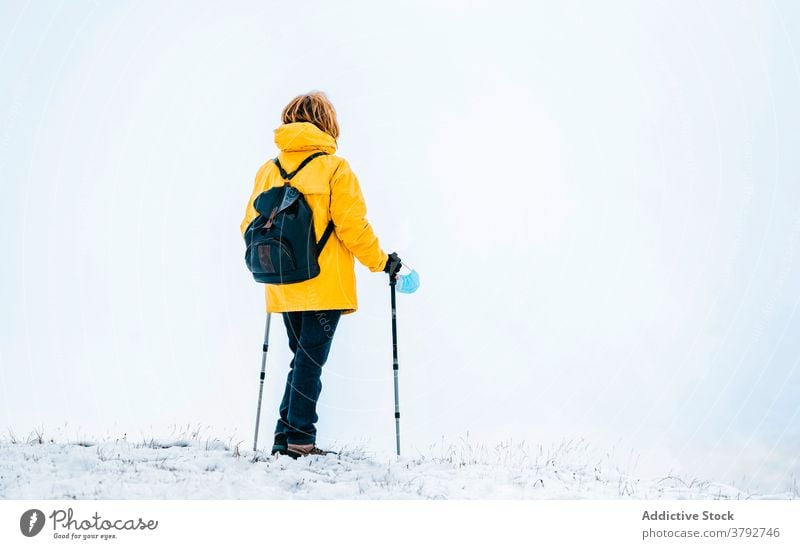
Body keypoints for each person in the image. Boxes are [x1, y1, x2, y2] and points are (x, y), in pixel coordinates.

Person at [240, 91, 402, 459]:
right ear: (327, 123)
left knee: (303, 359)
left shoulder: (268, 169)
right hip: (322, 285)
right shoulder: (335, 168)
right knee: (310, 362)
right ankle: (300, 441)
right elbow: (352, 227)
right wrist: (382, 263)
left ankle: (285, 437)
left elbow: (247, 225)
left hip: (281, 283)